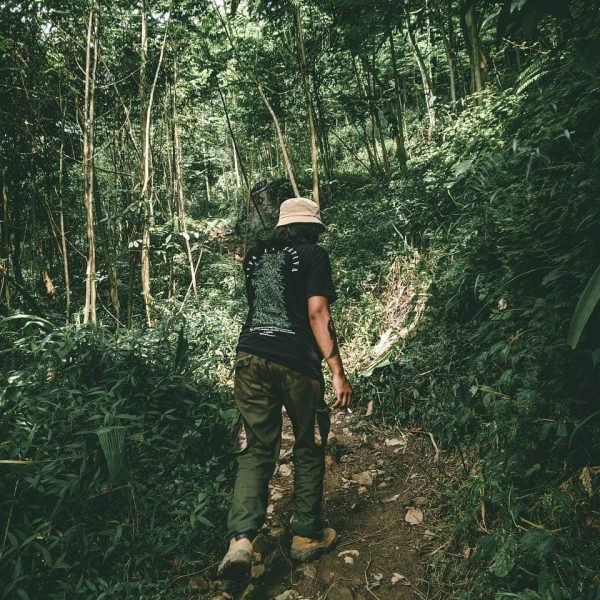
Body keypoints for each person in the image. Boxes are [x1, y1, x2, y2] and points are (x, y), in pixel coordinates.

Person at [217, 197, 354, 580]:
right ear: (311, 228)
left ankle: (241, 542)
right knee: (308, 444)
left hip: (250, 355)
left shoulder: (256, 255)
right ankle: (306, 535)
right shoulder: (313, 255)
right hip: (296, 361)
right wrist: (338, 371)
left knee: (257, 448)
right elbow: (316, 313)